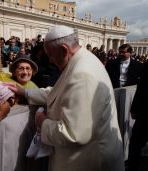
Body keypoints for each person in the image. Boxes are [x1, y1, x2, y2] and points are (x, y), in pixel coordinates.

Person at [8, 25, 124, 171]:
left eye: (50, 55)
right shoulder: (80, 60)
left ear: (64, 50)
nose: (50, 60)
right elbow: (58, 91)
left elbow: (74, 133)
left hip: (89, 160)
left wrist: (42, 122)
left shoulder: (83, 74)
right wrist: (25, 92)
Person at [125, 61, 148, 171]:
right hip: (145, 111)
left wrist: (135, 108)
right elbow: (142, 87)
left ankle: (132, 165)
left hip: (145, 111)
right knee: (136, 141)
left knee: (136, 141)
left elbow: (142, 87)